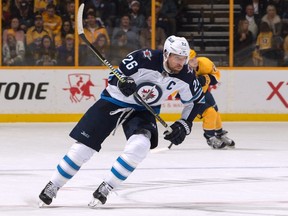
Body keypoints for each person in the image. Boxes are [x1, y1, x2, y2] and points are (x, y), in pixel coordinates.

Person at [38, 35, 205, 207]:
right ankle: (54, 185)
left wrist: (185, 124)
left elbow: (197, 101)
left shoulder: (186, 75)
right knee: (83, 147)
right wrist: (124, 83)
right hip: (113, 101)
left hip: (143, 110)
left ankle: (107, 187)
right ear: (166, 54)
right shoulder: (143, 57)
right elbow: (115, 77)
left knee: (141, 145)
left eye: (184, 58)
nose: (181, 62)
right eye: (177, 57)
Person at [188, 50, 235, 149]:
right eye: (191, 60)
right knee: (210, 112)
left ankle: (219, 133)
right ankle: (210, 137)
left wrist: (207, 78)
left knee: (215, 111)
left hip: (205, 92)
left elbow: (217, 77)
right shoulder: (180, 71)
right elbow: (177, 92)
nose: (195, 61)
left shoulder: (205, 63)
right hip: (192, 97)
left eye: (195, 58)